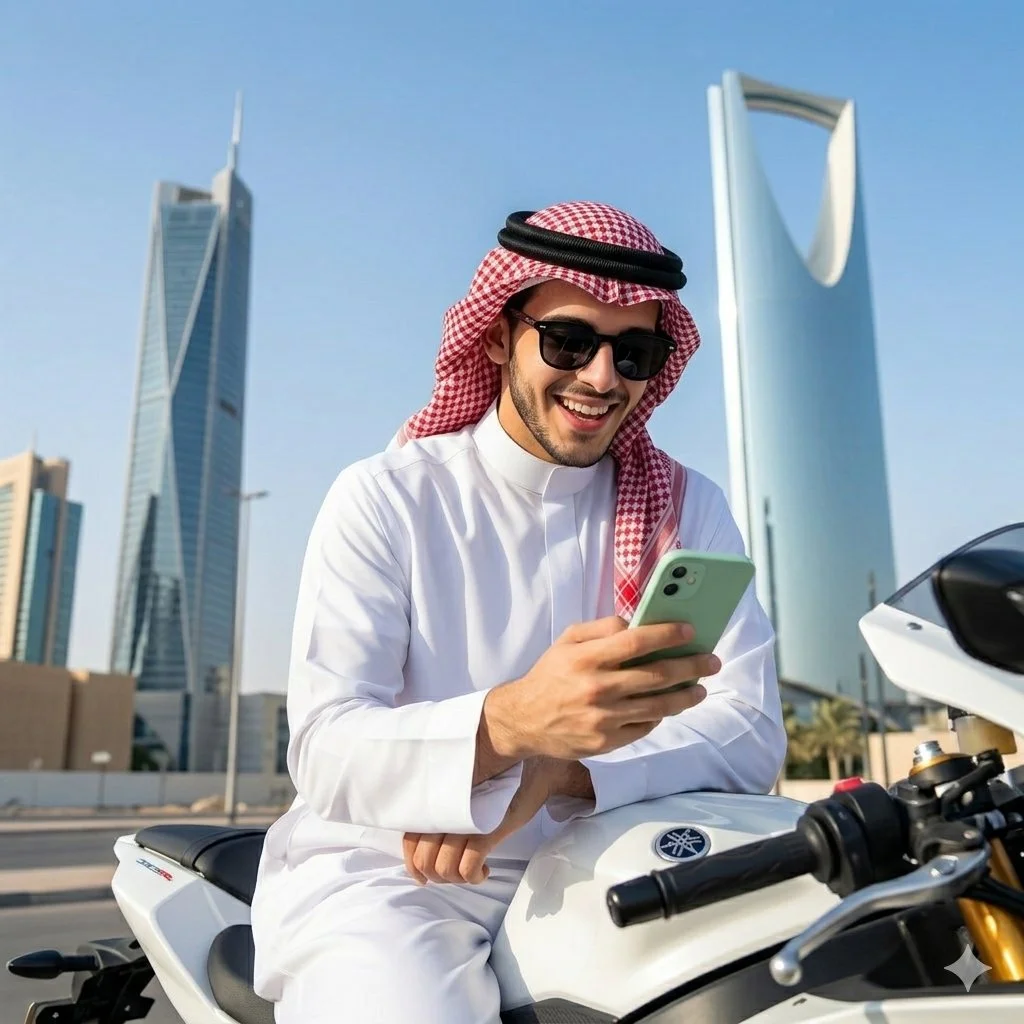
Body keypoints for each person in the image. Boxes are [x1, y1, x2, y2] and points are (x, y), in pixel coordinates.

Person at [250, 201, 785, 1022]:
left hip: (610, 863)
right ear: (499, 336)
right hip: (399, 879)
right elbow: (325, 752)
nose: (602, 379)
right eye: (569, 341)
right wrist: (509, 725)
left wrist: (562, 770)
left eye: (633, 352)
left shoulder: (687, 505)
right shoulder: (389, 497)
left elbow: (749, 732)